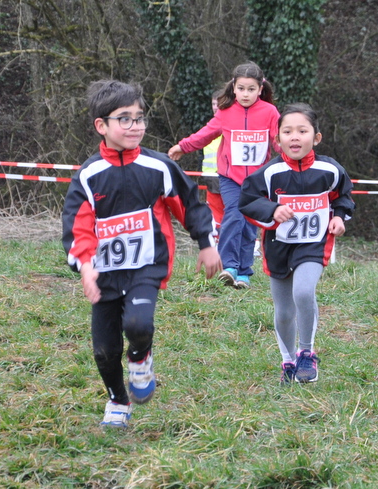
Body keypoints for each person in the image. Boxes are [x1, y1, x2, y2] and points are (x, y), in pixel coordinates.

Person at [62, 80, 222, 428]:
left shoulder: (159, 166)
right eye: (125, 119)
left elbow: (190, 205)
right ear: (101, 126)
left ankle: (140, 356)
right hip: (104, 274)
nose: (135, 126)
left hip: (147, 266)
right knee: (104, 351)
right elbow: (78, 226)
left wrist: (206, 244)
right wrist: (86, 266)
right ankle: (118, 401)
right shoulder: (89, 176)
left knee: (138, 324)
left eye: (140, 118)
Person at [239, 103, 354, 384]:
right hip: (278, 246)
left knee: (303, 292)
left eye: (302, 131)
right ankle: (288, 361)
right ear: (277, 139)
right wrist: (272, 210)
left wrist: (339, 217)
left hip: (313, 245)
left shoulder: (329, 170)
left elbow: (343, 197)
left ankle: (306, 354)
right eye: (287, 131)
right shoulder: (269, 173)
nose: (295, 137)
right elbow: (248, 201)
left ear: (316, 137)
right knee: (284, 311)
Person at [169, 62, 279, 289]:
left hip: (257, 181)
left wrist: (293, 155)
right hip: (230, 178)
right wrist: (183, 146)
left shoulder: (270, 112)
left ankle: (244, 272)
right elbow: (205, 134)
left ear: (260, 89)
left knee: (249, 224)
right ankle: (229, 266)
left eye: (251, 89)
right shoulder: (226, 111)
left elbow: (279, 141)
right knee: (234, 215)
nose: (245, 94)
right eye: (241, 89)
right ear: (233, 88)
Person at [202, 90, 224, 241]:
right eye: (213, 104)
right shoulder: (211, 125)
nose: (215, 107)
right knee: (215, 212)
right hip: (210, 177)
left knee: (230, 212)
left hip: (226, 175)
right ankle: (217, 240)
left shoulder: (228, 124)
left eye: (219, 104)